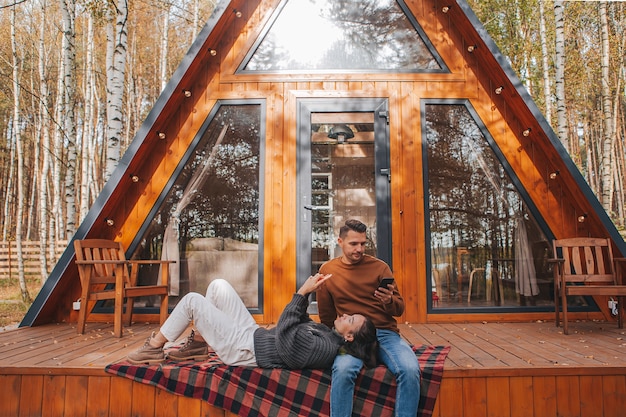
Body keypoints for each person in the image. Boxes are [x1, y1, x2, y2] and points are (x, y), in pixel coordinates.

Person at [127, 274, 378, 370]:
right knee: (218, 286)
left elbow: (286, 335)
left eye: (351, 320)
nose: (345, 315)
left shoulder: (325, 348)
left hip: (244, 350)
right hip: (253, 335)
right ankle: (198, 346)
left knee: (193, 300)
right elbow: (295, 322)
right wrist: (309, 292)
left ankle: (154, 347)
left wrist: (301, 294)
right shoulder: (327, 333)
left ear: (350, 337)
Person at [316, 219, 421, 417]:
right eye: (353, 244)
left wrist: (389, 300)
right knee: (343, 370)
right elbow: (327, 317)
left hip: (384, 332)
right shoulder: (328, 271)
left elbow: (399, 309)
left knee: (409, 369)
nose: (359, 249)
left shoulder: (379, 268)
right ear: (340, 241)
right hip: (354, 337)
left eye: (363, 244)